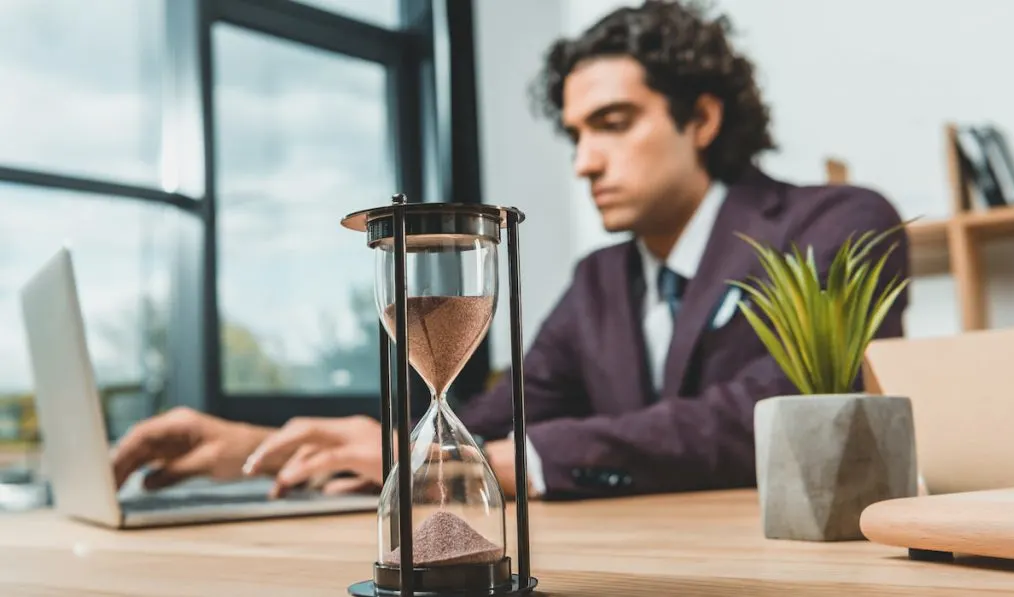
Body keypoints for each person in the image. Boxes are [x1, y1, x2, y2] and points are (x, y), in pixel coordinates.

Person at [111, 0, 910, 500]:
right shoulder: (601, 280)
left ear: (700, 118)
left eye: (613, 122)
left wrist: (490, 463)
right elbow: (488, 415)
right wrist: (264, 446)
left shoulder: (837, 223)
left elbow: (769, 417)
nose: (584, 161)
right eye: (574, 133)